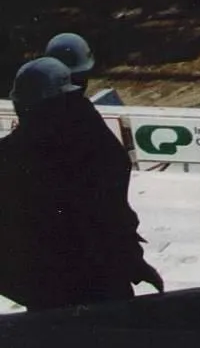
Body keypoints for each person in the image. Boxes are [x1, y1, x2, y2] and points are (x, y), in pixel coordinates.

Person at [2, 57, 162, 310]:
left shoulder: (13, 155)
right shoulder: (88, 146)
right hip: (90, 282)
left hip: (52, 289)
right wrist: (131, 261)